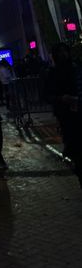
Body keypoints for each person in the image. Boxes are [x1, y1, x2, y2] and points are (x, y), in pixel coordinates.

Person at [44, 43, 82, 188]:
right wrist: (61, 99)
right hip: (67, 118)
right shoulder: (52, 73)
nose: (63, 55)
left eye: (65, 52)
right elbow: (47, 95)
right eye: (59, 53)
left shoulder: (76, 69)